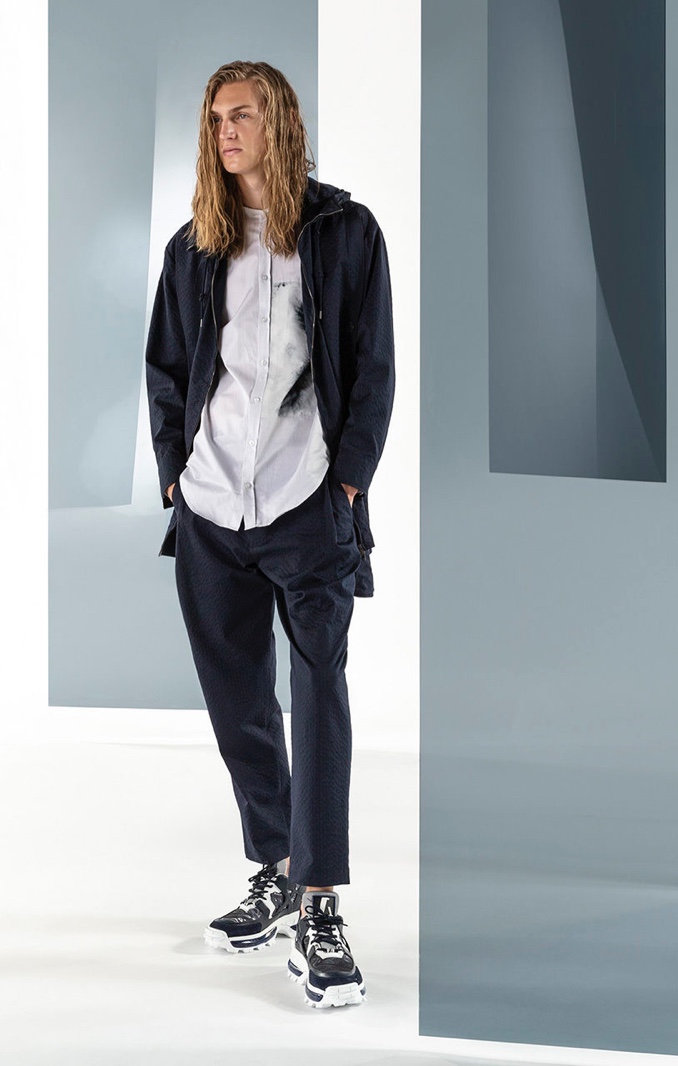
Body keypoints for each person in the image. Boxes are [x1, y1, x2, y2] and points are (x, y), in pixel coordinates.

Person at [144, 59, 395, 1009]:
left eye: (241, 115)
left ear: (280, 121)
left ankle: (321, 905)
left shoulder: (344, 232)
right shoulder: (194, 245)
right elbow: (167, 366)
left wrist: (348, 482)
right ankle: (277, 868)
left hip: (308, 504)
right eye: (215, 119)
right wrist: (175, 474)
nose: (225, 132)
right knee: (238, 701)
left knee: (319, 693)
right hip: (212, 507)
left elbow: (374, 367)